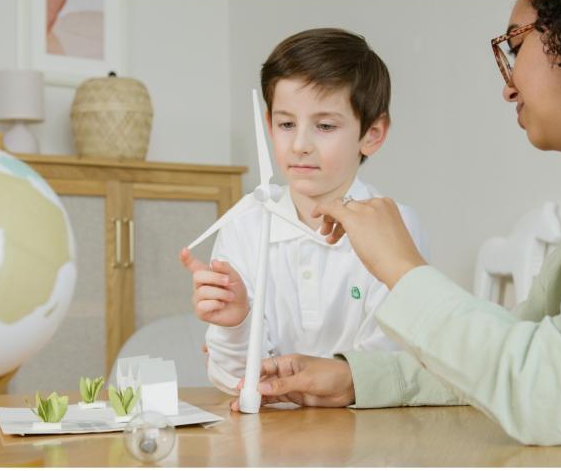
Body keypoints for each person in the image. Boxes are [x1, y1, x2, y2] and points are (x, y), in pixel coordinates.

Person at [237, 0, 561, 467]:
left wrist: (404, 270)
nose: (508, 86)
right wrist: (357, 379)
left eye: (515, 45)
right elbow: (522, 350)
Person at [179, 28, 429, 395]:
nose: (299, 145)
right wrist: (235, 323)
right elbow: (236, 380)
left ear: (372, 134)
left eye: (325, 126)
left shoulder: (395, 226)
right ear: (269, 125)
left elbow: (392, 370)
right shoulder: (244, 226)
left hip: (369, 438)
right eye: (286, 124)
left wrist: (311, 383)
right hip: (271, 438)